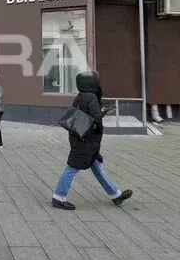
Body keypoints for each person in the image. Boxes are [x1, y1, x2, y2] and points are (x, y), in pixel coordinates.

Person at [51, 71, 133, 210]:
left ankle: (114, 194)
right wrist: (100, 125)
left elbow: (82, 114)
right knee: (73, 166)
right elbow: (96, 119)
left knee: (96, 165)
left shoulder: (81, 95)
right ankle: (58, 196)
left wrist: (100, 114)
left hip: (79, 137)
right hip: (86, 140)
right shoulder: (92, 97)